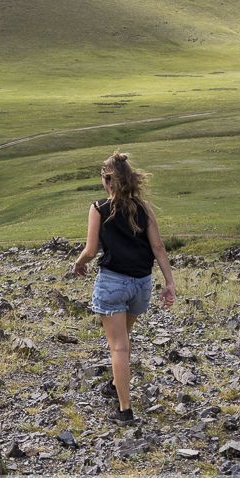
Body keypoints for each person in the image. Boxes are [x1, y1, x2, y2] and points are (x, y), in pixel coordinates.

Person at [73, 151, 176, 425]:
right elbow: (158, 247)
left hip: (112, 283)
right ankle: (114, 384)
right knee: (124, 341)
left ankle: (124, 410)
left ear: (108, 181)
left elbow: (91, 249)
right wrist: (169, 282)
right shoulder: (145, 208)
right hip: (141, 285)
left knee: (118, 347)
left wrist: (78, 263)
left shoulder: (98, 209)